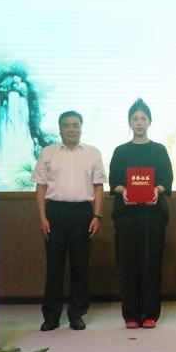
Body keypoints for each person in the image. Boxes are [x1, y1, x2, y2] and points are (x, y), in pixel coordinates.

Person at [31, 110, 106, 331]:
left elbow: (98, 187)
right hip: (55, 212)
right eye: (66, 125)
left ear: (81, 128)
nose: (71, 129)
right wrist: (43, 217)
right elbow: (40, 188)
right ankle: (51, 317)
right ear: (60, 128)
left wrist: (97, 215)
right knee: (54, 267)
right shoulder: (48, 152)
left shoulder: (92, 153)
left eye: (75, 125)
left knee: (80, 266)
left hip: (82, 212)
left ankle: (77, 314)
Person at [109, 98, 173, 329]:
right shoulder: (120, 151)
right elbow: (114, 182)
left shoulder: (159, 150)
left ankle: (149, 314)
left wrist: (157, 189)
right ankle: (130, 315)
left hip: (153, 215)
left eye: (143, 118)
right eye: (135, 119)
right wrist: (123, 190)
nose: (139, 122)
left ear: (149, 122)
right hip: (126, 215)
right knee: (127, 264)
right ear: (129, 122)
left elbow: (167, 180)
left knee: (151, 263)